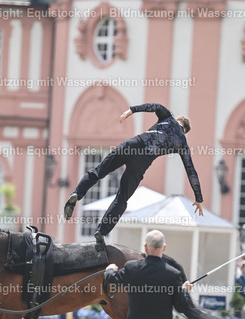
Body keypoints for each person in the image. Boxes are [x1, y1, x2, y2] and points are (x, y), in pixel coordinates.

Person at [64, 103, 204, 244]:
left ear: (178, 120)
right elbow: (191, 170)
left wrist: (132, 110)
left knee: (98, 172)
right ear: (185, 131)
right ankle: (101, 231)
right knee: (122, 198)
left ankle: (77, 193)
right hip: (142, 161)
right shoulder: (182, 143)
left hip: (132, 145)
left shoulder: (168, 117)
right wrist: (198, 198)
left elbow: (156, 106)